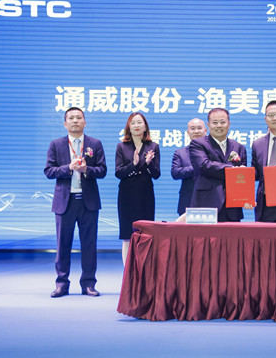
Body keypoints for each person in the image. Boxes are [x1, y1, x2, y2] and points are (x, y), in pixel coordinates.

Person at [44, 107, 107, 298]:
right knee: (63, 245)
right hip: (65, 202)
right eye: (71, 118)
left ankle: (88, 284)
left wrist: (87, 169)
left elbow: (102, 170)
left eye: (79, 117)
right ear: (65, 124)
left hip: (88, 202)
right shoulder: (56, 144)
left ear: (85, 122)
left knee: (89, 245)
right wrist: (68, 168)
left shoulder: (95, 144)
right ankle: (61, 284)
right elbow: (49, 171)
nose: (75, 121)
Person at [115, 112, 160, 266]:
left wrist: (148, 163)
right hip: (126, 194)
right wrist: (133, 165)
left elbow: (156, 174)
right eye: (133, 122)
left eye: (139, 122)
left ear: (145, 126)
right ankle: (127, 272)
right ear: (128, 126)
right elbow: (118, 173)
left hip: (145, 193)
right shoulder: (122, 146)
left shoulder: (153, 146)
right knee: (127, 235)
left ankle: (145, 269)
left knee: (146, 233)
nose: (136, 125)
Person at [189, 108, 246, 222]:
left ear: (228, 124)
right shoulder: (198, 144)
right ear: (208, 125)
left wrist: (246, 199)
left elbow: (242, 176)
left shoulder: (239, 147)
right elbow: (204, 165)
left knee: (232, 234)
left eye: (222, 122)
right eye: (215, 122)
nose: (219, 126)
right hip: (206, 204)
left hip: (233, 208)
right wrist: (233, 169)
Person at [171, 118, 207, 216]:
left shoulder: (214, 151)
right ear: (188, 132)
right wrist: (198, 167)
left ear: (205, 131)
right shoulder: (180, 153)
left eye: (199, 128)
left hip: (210, 200)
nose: (196, 131)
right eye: (193, 128)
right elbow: (175, 173)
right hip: (188, 200)